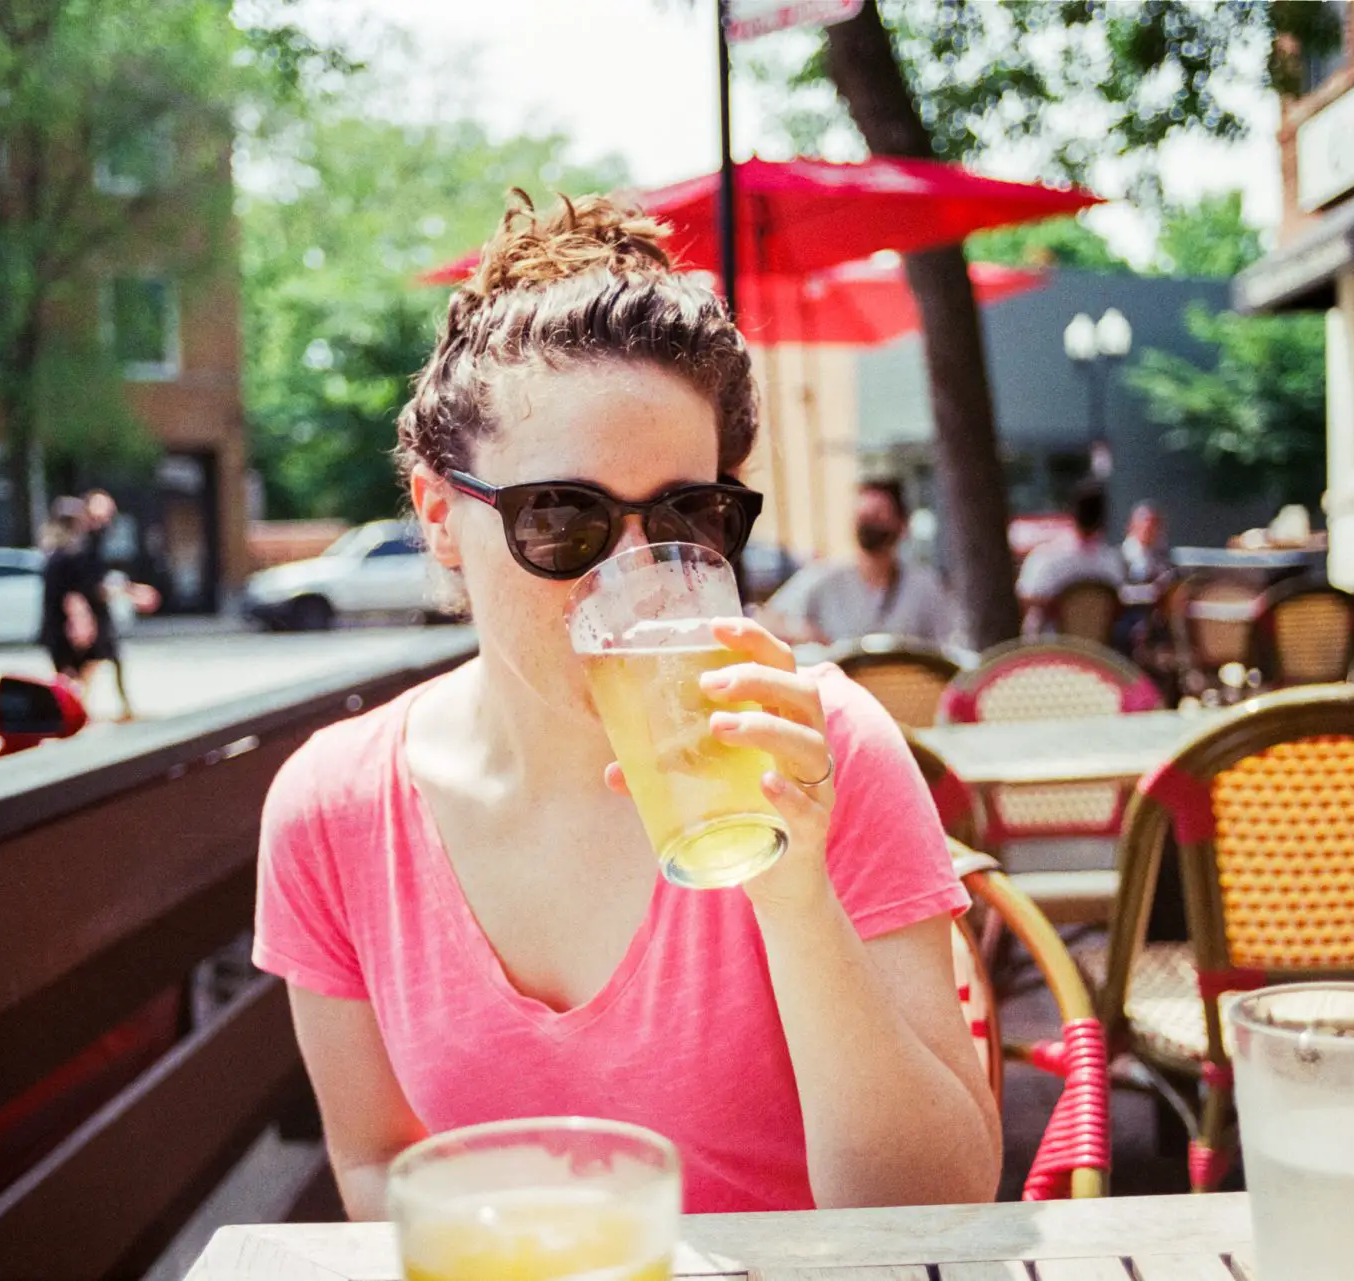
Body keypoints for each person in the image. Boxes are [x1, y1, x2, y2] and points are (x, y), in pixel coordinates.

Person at [252, 192, 999, 1219]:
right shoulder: (335, 812)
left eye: (689, 515)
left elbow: (939, 1211)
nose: (639, 579)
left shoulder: (814, 747)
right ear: (438, 516)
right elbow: (379, 1162)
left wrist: (793, 895)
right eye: (565, 517)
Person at [762, 480, 959, 649]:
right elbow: (767, 619)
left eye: (878, 516)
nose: (869, 524)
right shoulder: (824, 577)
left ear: (902, 526)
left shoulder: (924, 585)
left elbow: (950, 641)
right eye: (863, 517)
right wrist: (805, 634)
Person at [80, 490, 160, 721]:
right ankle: (82, 706)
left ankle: (116, 706)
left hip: (98, 612)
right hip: (88, 612)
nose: (106, 518)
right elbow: (91, 582)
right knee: (91, 662)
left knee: (107, 659)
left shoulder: (99, 541)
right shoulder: (85, 542)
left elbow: (102, 578)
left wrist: (127, 590)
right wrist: (128, 592)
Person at [1016, 480, 1126, 636]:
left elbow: (1026, 598)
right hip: (1099, 652)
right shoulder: (1112, 561)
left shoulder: (1047, 557)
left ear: (1071, 513)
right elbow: (1117, 607)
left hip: (1054, 648)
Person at [38, 497, 99, 682]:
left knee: (66, 675)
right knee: (74, 677)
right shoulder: (72, 555)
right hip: (68, 625)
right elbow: (72, 596)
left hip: (54, 623)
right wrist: (81, 624)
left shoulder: (50, 553)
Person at [1121, 500, 1173, 586]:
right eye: (1143, 521)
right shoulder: (1119, 557)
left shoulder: (1163, 558)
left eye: (1154, 525)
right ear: (1132, 525)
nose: (1148, 528)